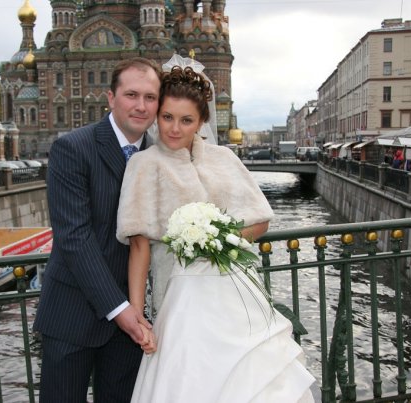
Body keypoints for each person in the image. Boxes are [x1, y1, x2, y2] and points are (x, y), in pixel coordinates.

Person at [117, 61, 315, 402]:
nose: (174, 129)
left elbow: (260, 221)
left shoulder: (223, 158)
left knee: (249, 381)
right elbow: (139, 245)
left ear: (201, 122)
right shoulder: (143, 164)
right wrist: (138, 315)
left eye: (186, 120)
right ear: (157, 116)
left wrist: (219, 240)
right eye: (167, 117)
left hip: (236, 295)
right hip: (178, 298)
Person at [33, 57, 161, 402]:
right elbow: (74, 237)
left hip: (133, 322)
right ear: (111, 98)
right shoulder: (73, 147)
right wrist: (120, 310)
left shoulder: (159, 155)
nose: (141, 105)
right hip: (73, 316)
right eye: (131, 95)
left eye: (150, 97)